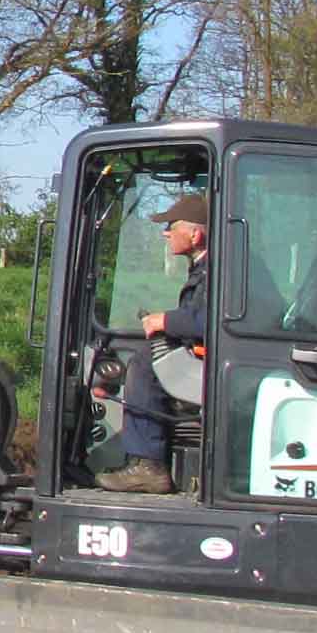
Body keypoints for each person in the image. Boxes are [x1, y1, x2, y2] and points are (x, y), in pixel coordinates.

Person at [94, 192, 211, 495]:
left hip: (214, 365)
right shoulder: (207, 268)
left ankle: (149, 466)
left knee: (146, 363)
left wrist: (166, 322)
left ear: (195, 234)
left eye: (172, 226)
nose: (165, 232)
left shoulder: (217, 271)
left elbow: (216, 321)